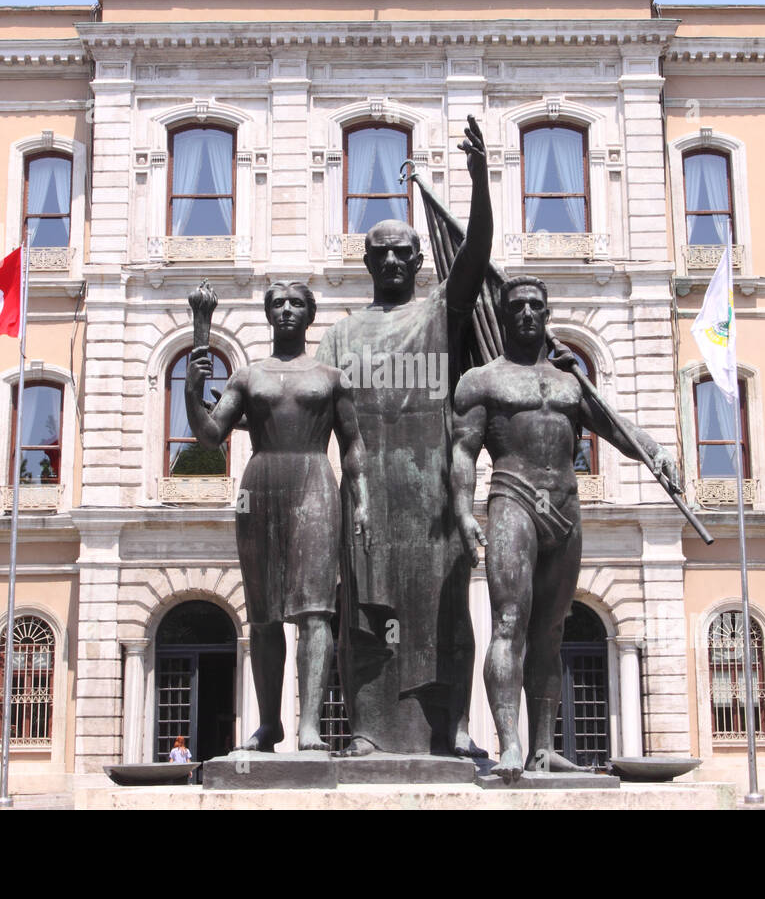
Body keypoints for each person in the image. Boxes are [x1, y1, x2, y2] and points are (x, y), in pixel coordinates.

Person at [451, 276, 680, 781]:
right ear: (504, 315)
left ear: (546, 312)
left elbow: (615, 429)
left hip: (567, 508)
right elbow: (463, 452)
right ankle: (509, 744)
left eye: (536, 305)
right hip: (513, 500)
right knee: (509, 623)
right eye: (517, 307)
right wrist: (465, 513)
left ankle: (542, 749)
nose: (527, 313)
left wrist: (657, 451)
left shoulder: (571, 382)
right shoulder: (482, 380)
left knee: (551, 634)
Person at [315, 115, 493, 758]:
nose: (392, 259)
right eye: (381, 252)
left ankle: (451, 728)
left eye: (403, 252)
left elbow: (476, 254)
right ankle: (365, 731)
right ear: (367, 262)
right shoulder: (339, 334)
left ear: (419, 262)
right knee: (364, 617)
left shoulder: (439, 311)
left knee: (444, 615)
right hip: (366, 491)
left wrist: (478, 177)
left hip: (434, 494)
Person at [185, 281, 370, 752]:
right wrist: (192, 387)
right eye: (278, 304)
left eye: (296, 304)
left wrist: (362, 499)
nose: (286, 310)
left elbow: (352, 444)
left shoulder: (331, 377)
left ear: (310, 316)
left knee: (314, 612)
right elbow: (209, 436)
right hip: (260, 487)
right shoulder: (248, 378)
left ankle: (309, 724)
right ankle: (271, 724)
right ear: (269, 315)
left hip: (314, 482)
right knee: (264, 616)